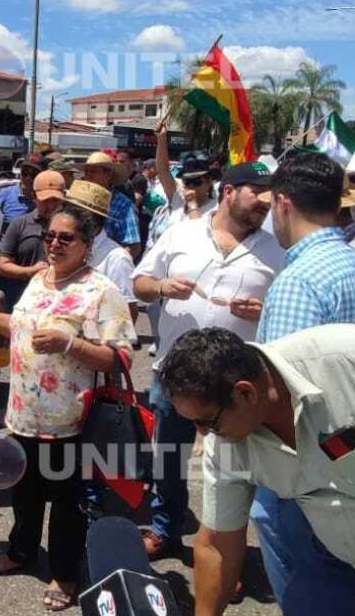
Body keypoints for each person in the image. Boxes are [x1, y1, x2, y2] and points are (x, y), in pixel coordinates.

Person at [0, 203, 137, 611]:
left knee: (67, 503)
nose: (55, 244)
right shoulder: (40, 279)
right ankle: (21, 551)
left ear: (87, 245)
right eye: (50, 236)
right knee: (25, 493)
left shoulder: (100, 291)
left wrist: (70, 344)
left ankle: (64, 572)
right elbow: (20, 327)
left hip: (71, 421)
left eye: (66, 238)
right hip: (23, 414)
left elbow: (121, 358)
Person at [130, 160, 284, 559]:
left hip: (235, 385)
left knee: (232, 469)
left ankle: (223, 551)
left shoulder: (275, 248)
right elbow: (140, 284)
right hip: (173, 374)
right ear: (229, 192)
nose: (264, 205)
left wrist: (264, 310)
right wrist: (162, 285)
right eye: (257, 195)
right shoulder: (181, 232)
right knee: (169, 459)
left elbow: (285, 306)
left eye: (270, 198)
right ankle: (165, 528)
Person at [158, 325, 355, 616]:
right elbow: (217, 546)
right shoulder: (225, 446)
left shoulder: (344, 360)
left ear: (245, 393)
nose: (204, 434)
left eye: (207, 422)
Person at [240, 149, 355, 613]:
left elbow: (280, 397)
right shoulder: (347, 262)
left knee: (313, 590)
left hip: (307, 478)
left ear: (283, 203)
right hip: (344, 455)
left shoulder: (299, 280)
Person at [63, 181, 137, 310]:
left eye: (73, 214)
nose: (65, 218)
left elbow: (128, 311)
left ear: (92, 221)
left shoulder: (116, 259)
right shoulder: (62, 246)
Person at [0, 170, 65, 307]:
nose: (51, 206)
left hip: (59, 302)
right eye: (46, 201)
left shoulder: (70, 228)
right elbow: (3, 265)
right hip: (22, 301)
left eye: (55, 200)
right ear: (34, 197)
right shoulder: (19, 224)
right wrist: (30, 271)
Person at [81, 151, 141, 255]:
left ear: (108, 175)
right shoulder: (79, 199)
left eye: (93, 172)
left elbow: (133, 246)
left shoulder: (123, 205)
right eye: (86, 172)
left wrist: (112, 264)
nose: (88, 176)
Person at [0, 157, 40, 240]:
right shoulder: (4, 195)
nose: (28, 178)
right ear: (20, 174)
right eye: (25, 173)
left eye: (33, 175)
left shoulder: (42, 199)